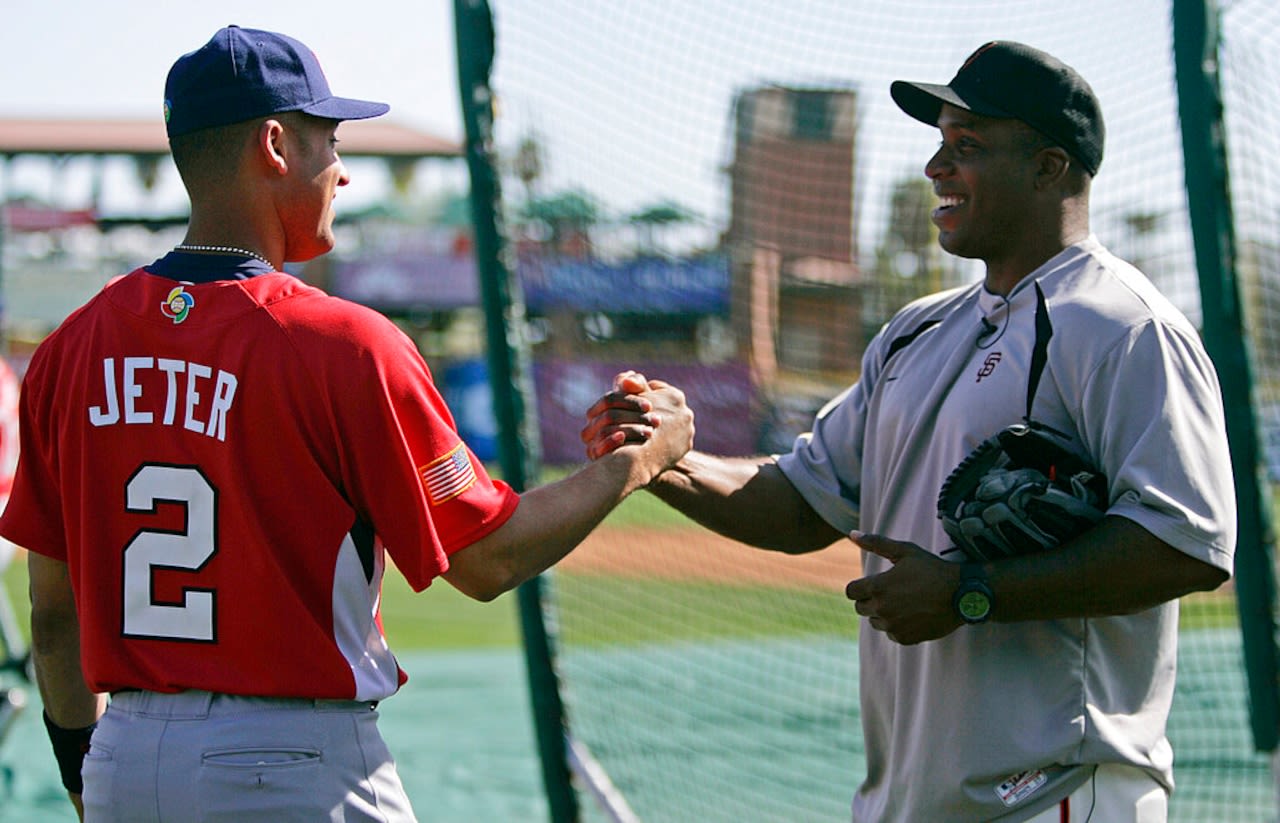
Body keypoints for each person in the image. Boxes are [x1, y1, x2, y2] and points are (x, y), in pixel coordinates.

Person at [1, 25, 692, 823]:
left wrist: (89, 774)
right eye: (327, 138)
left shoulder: (67, 350)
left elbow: (52, 615)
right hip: (292, 767)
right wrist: (633, 464)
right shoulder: (346, 344)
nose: (342, 170)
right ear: (274, 144)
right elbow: (485, 557)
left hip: (127, 752)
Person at [583, 41, 1234, 822]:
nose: (936, 166)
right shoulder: (916, 332)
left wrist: (971, 592)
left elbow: (1186, 541)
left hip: (1056, 792)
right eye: (939, 142)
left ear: (1050, 168)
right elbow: (800, 502)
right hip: (912, 797)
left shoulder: (1125, 327)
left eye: (969, 146)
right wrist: (667, 459)